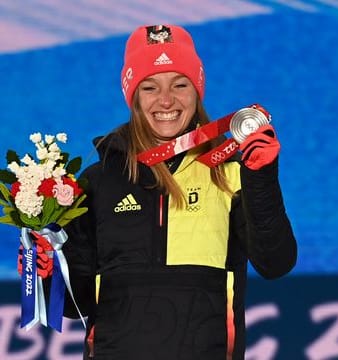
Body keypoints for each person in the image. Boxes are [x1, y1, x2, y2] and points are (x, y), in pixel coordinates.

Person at [61, 24, 297, 359]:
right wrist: (46, 272)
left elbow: (276, 263)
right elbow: (74, 305)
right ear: (134, 98)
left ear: (197, 91)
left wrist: (261, 178)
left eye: (180, 85)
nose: (166, 100)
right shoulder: (98, 181)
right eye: (150, 87)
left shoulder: (229, 172)